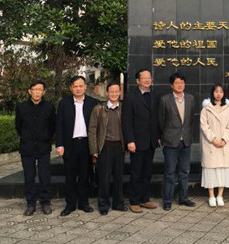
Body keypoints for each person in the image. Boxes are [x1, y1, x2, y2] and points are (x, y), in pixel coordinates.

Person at [56, 76, 98, 216]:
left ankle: (84, 203)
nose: (78, 89)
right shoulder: (64, 103)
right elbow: (59, 125)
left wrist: (96, 147)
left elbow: (97, 126)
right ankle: (70, 204)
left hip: (86, 144)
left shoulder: (93, 103)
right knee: (70, 176)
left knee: (85, 175)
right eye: (75, 86)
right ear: (71, 88)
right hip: (70, 145)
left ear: (85, 87)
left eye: (81, 86)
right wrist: (60, 144)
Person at [15, 80, 56, 216]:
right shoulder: (21, 107)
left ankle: (45, 203)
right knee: (29, 176)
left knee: (45, 176)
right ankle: (31, 204)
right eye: (35, 89)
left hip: (43, 146)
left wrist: (46, 137)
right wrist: (27, 137)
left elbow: (52, 126)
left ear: (43, 92)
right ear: (30, 91)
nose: (37, 92)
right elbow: (18, 126)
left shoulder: (49, 107)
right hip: (27, 147)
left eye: (40, 89)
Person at [122, 69, 159, 213]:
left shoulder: (154, 95)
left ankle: (145, 199)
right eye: (144, 78)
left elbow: (156, 118)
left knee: (147, 172)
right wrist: (130, 140)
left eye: (149, 77)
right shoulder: (131, 97)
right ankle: (134, 201)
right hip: (136, 141)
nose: (147, 80)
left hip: (150, 141)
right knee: (136, 173)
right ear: (138, 81)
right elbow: (126, 121)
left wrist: (158, 136)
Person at [158, 72, 197, 211]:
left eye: (182, 82)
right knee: (169, 172)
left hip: (185, 141)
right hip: (171, 141)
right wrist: (165, 136)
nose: (179, 85)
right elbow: (161, 121)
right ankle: (167, 201)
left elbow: (191, 119)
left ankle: (183, 198)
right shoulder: (164, 100)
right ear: (171, 85)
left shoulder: (191, 98)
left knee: (184, 172)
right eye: (177, 83)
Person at [88, 82, 127, 215]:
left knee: (118, 178)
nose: (114, 94)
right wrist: (94, 149)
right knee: (104, 178)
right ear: (107, 93)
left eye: (117, 91)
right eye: (111, 91)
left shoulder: (123, 108)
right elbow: (92, 130)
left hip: (119, 147)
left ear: (120, 93)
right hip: (104, 147)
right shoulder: (98, 109)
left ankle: (118, 203)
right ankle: (103, 205)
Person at [200, 84, 229, 207]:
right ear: (212, 93)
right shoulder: (206, 108)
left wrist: (224, 140)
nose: (218, 94)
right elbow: (204, 126)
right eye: (216, 91)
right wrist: (213, 139)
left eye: (221, 91)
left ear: (224, 93)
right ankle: (211, 196)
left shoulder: (228, 109)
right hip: (211, 144)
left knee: (222, 169)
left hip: (223, 144)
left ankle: (220, 195)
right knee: (210, 169)